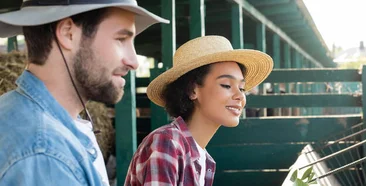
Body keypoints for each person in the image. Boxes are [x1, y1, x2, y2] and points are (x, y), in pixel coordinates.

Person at [0, 0, 168, 185]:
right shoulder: (45, 155)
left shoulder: (13, 111)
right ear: (68, 34)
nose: (134, 61)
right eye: (121, 39)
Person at [124, 35, 273, 186]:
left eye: (242, 88)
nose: (240, 96)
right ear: (192, 90)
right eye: (226, 85)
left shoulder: (204, 160)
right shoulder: (167, 142)